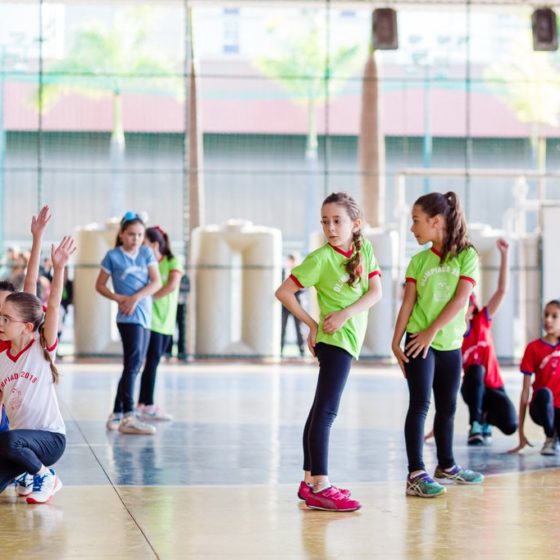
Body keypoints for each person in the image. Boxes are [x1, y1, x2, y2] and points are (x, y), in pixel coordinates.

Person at [275, 192, 382, 512]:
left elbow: (375, 292)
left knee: (319, 410)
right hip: (334, 341)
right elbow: (284, 292)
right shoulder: (320, 259)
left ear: (355, 224)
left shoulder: (365, 249)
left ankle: (309, 481)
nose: (330, 228)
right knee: (326, 412)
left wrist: (347, 313)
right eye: (325, 221)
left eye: (337, 221)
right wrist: (312, 324)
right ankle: (321, 485)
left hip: (347, 337)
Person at [391, 191, 484, 499]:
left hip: (448, 343)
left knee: (448, 406)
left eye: (416, 221)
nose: (412, 228)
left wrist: (432, 332)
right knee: (420, 403)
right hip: (419, 341)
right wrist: (396, 341)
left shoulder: (467, 255)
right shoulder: (418, 261)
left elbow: (460, 300)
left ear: (436, 221)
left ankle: (446, 465)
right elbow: (407, 304)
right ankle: (416, 473)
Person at [0, 235, 75, 504]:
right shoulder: (2, 360)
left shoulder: (41, 349)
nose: (0, 323)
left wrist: (59, 268)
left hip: (50, 440)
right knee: (8, 443)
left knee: (9, 441)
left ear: (27, 327)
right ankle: (26, 473)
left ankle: (46, 475)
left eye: (6, 319)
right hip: (19, 444)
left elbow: (51, 306)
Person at [424, 238, 518, 445]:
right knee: (475, 370)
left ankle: (485, 418)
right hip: (472, 388)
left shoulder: (482, 321)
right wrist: (436, 426)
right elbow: (442, 381)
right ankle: (475, 423)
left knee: (511, 424)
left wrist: (505, 255)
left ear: (471, 307)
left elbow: (502, 291)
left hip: (494, 388)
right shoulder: (453, 335)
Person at [96, 212, 161, 435]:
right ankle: (129, 415)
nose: (136, 239)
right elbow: (100, 285)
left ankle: (117, 412)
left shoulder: (146, 253)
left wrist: (135, 298)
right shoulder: (112, 256)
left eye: (140, 235)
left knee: (134, 365)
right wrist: (119, 298)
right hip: (127, 318)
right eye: (132, 234)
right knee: (133, 364)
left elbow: (156, 282)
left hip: (144, 315)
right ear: (122, 234)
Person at [0, 206, 51, 436]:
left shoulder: (20, 336)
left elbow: (30, 284)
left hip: (13, 420)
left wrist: (37, 238)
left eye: (6, 313)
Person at [137, 226, 183, 421]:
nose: (141, 246)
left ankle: (143, 403)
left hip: (166, 321)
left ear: (155, 244)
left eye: (144, 243)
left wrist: (150, 297)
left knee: (153, 362)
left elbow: (172, 285)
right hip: (151, 321)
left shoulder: (172, 261)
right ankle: (146, 403)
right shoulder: (147, 264)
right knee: (151, 363)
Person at [509, 300, 560, 456]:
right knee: (544, 393)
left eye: (554, 316)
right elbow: (525, 392)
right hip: (541, 407)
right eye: (546, 315)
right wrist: (521, 433)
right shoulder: (533, 348)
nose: (548, 320)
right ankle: (550, 437)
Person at [280, 254, 305, 357]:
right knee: (282, 328)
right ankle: (280, 350)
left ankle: (302, 351)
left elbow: (304, 288)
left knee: (299, 328)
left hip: (296, 304)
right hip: (284, 305)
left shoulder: (299, 273)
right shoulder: (282, 272)